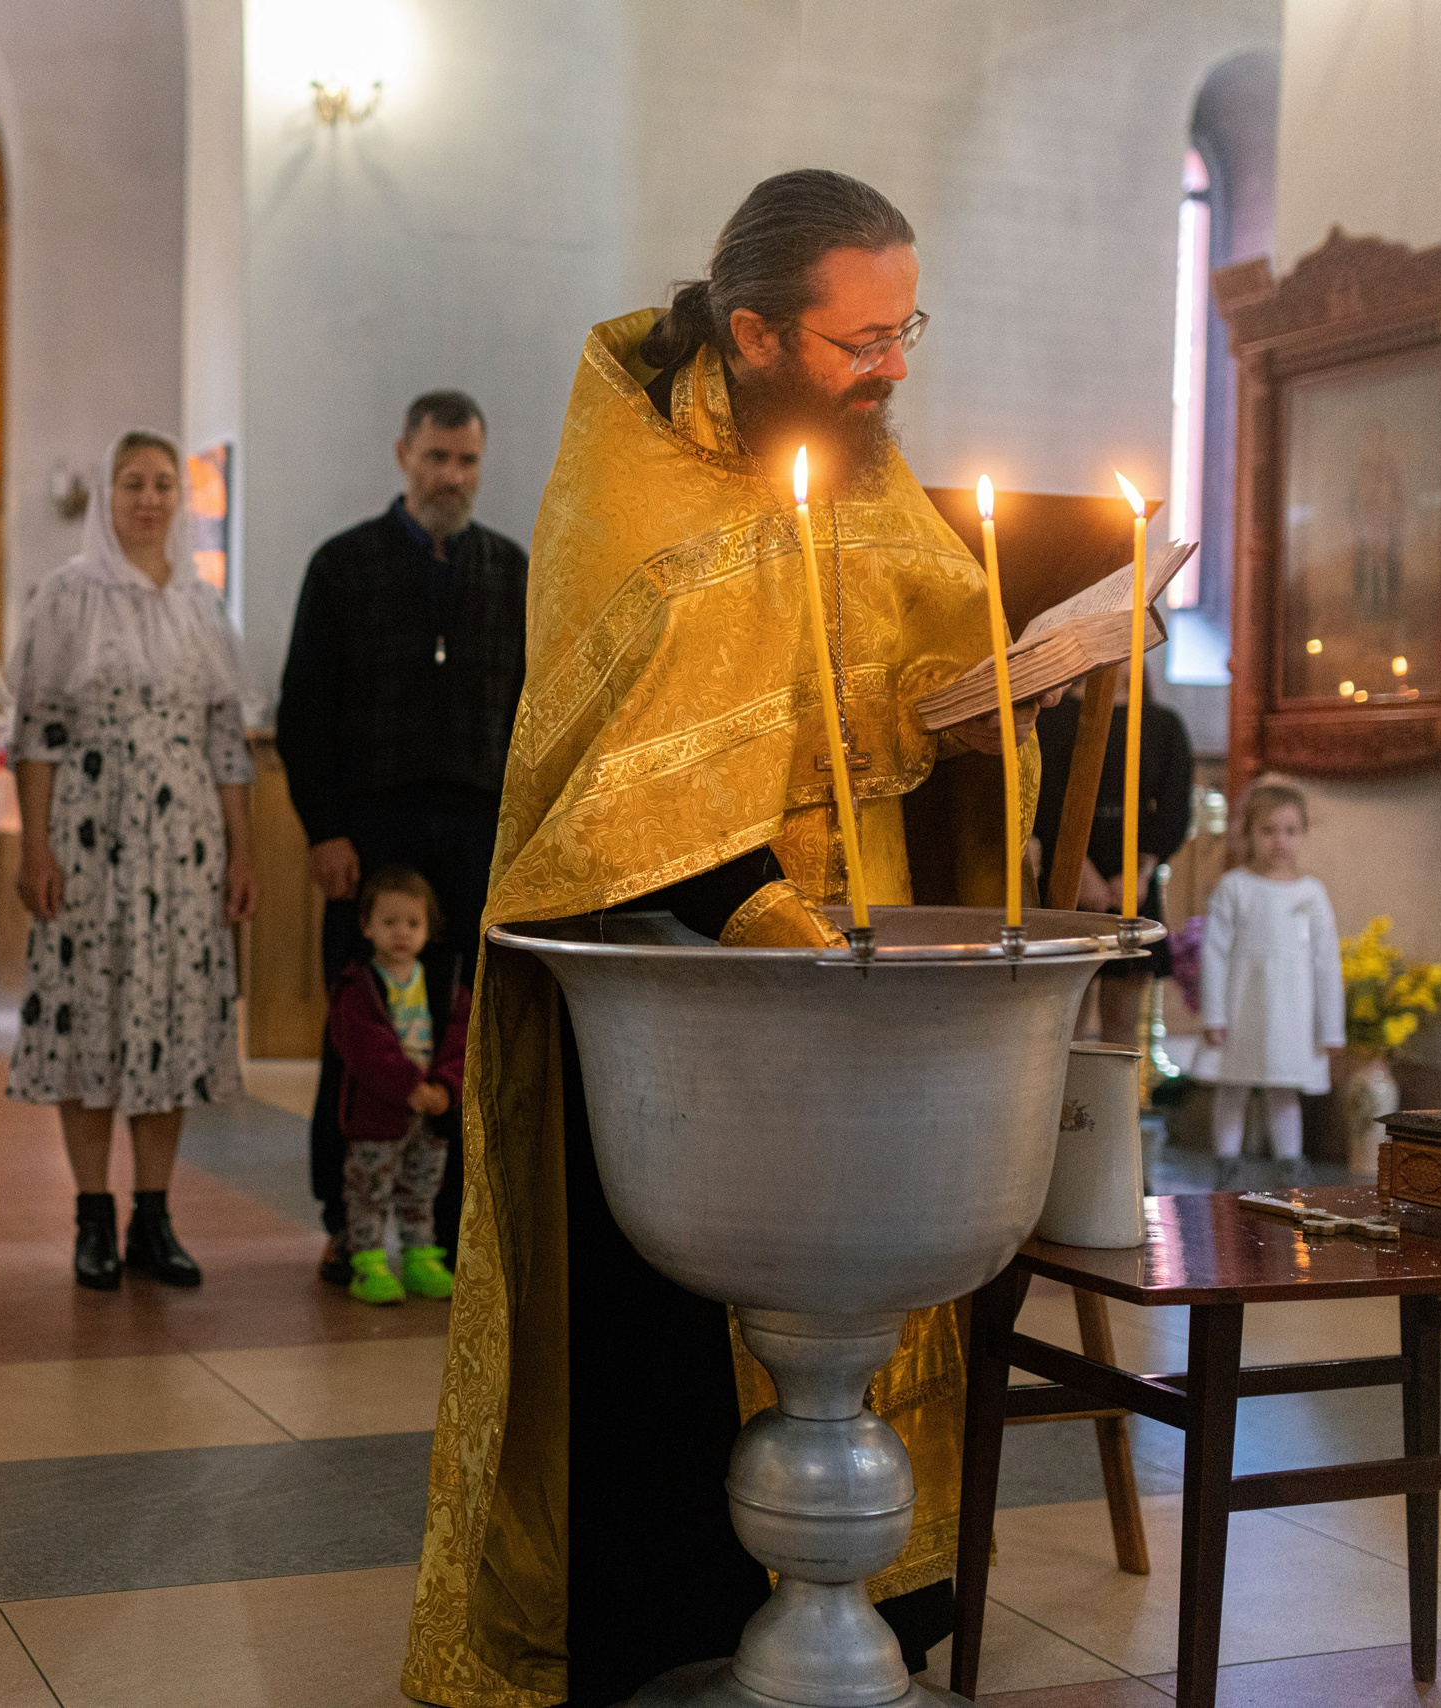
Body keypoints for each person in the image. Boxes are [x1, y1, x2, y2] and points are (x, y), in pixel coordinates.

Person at [406, 170, 1067, 1708]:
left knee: (877, 1291)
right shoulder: (632, 479)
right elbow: (612, 790)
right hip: (687, 975)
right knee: (667, 1343)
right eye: (861, 340)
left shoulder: (865, 464)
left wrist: (989, 699)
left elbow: (896, 675)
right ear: (757, 329)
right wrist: (773, 924)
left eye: (908, 328)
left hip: (868, 944)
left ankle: (868, 1614)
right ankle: (678, 1640)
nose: (894, 366)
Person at [276, 390, 527, 1282]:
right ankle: (348, 1221)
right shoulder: (342, 565)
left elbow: (529, 717)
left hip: (474, 833)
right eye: (435, 458)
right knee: (363, 1025)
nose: (450, 477)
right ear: (402, 455)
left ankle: (443, 1225)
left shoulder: (511, 569)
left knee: (461, 1036)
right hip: (372, 834)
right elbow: (302, 712)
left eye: (465, 461)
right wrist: (324, 830)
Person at [5, 430, 256, 1292]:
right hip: (88, 840)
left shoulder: (201, 606)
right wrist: (35, 843)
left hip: (186, 849)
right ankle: (91, 1219)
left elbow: (228, 743)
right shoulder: (65, 599)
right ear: (108, 498)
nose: (148, 499)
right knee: (91, 1018)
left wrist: (241, 852)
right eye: (131, 484)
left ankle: (155, 1215)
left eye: (160, 484)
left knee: (174, 1020)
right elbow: (35, 730)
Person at [324, 866, 466, 1306]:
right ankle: (366, 1262)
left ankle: (420, 1257)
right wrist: (408, 1085)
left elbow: (461, 1038)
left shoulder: (442, 986)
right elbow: (365, 1049)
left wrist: (445, 1086)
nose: (401, 933)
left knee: (421, 1187)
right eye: (389, 922)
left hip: (431, 1112)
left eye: (412, 923)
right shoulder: (357, 988)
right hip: (377, 1114)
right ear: (366, 926)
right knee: (369, 1189)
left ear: (428, 929)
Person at [1190, 781, 1344, 1167]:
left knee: (1283, 1088)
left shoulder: (1311, 894)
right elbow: (1215, 954)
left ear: (1304, 834)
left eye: (1290, 831)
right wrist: (1214, 1014)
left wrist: (1330, 1029)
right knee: (1233, 1083)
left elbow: (1326, 963)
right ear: (1248, 834)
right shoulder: (1235, 887)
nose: (1280, 841)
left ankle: (1289, 1165)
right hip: (1243, 1006)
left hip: (1292, 1011)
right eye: (1268, 830)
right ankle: (1225, 1161)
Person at [1034, 672, 1193, 1044]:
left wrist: (1139, 872)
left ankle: (1109, 1103)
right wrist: (1078, 871)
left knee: (1122, 1022)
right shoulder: (1053, 718)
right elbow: (1045, 798)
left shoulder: (1162, 725)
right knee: (1063, 1020)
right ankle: (1063, 1103)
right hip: (1068, 871)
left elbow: (1173, 808)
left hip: (1134, 880)